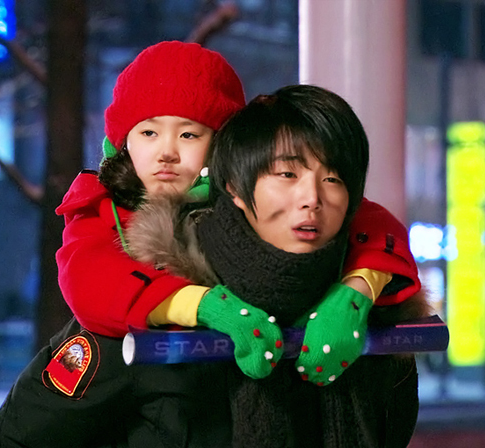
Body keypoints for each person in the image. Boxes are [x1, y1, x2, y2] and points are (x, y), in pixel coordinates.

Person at [55, 40, 421, 382]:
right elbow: (89, 280)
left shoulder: (248, 195)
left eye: (188, 135)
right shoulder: (99, 206)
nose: (166, 152)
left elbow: (370, 224)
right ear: (121, 143)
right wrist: (203, 305)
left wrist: (355, 292)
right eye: (149, 133)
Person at [126, 84, 428, 447]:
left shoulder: (377, 323)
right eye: (287, 174)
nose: (312, 198)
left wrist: (360, 287)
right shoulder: (150, 297)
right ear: (234, 186)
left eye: (333, 179)